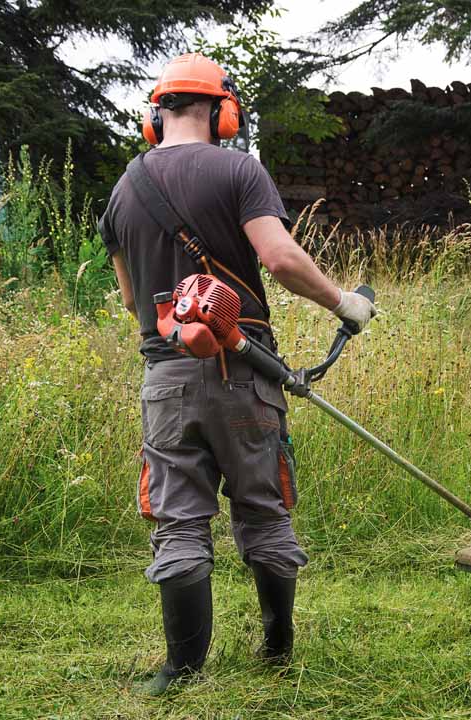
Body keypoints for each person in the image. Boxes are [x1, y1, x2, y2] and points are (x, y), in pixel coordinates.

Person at [97, 52, 376, 696]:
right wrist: (345, 304)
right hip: (244, 375)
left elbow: (135, 303)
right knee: (261, 506)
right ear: (224, 112)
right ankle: (277, 650)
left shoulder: (123, 189)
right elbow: (278, 258)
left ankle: (182, 669)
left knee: (179, 517)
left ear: (154, 116)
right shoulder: (238, 169)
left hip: (165, 378)